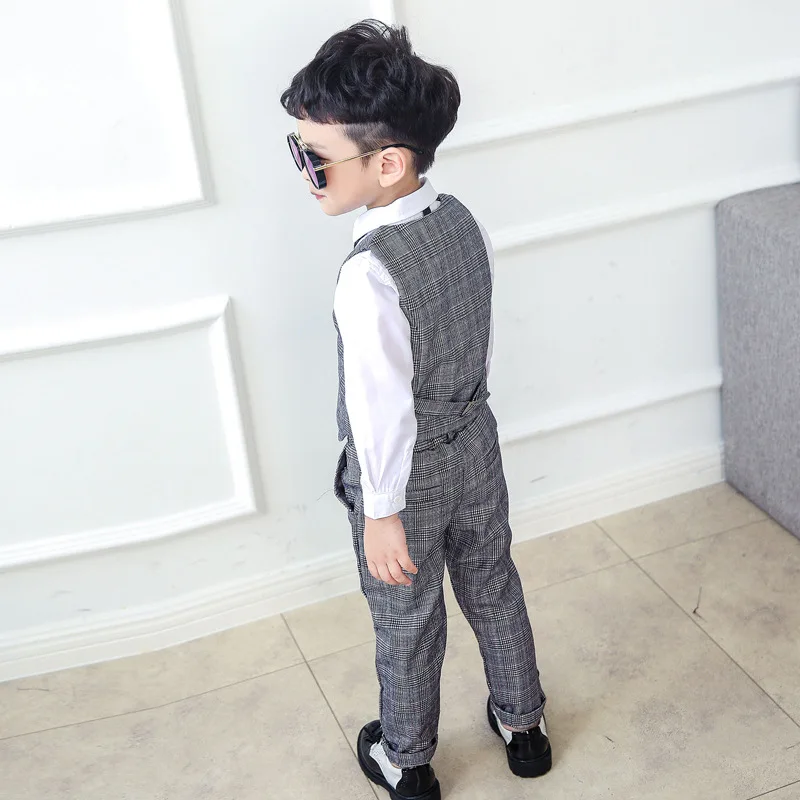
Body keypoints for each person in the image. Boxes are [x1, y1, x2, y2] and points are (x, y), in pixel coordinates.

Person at [280, 20, 551, 800]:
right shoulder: (462, 220)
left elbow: (380, 412)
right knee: (493, 579)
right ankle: (525, 727)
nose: (305, 171)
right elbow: (474, 342)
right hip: (477, 442)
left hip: (408, 478)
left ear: (388, 163)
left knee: (407, 617)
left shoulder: (367, 275)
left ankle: (407, 760)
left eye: (315, 157)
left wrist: (381, 511)